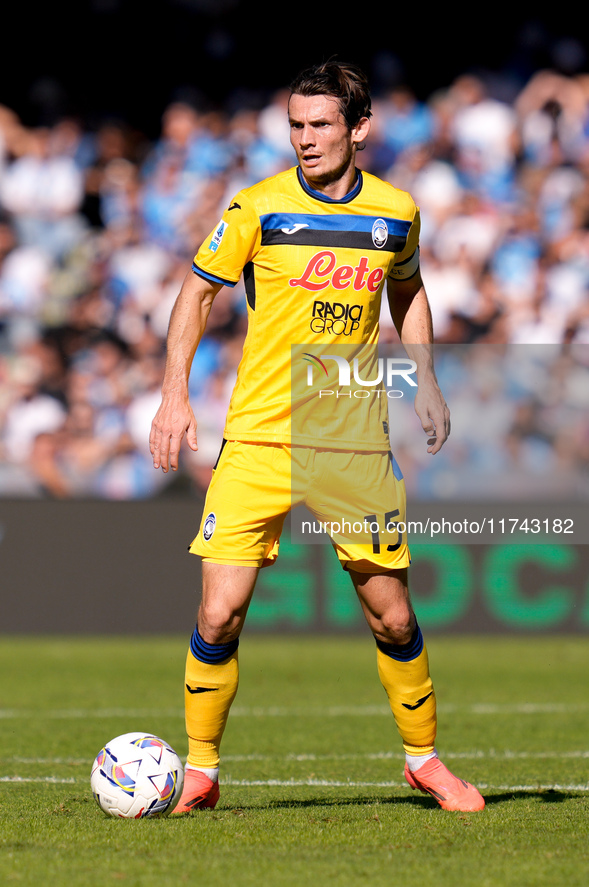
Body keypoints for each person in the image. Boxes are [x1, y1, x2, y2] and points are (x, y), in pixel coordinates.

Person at [149, 61, 485, 814]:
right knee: (217, 613)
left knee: (392, 615)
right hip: (259, 438)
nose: (304, 140)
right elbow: (196, 290)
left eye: (320, 125)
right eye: (295, 126)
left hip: (352, 443)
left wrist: (424, 377)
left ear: (358, 129)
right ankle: (200, 771)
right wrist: (173, 396)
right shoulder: (256, 208)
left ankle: (423, 759)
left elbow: (409, 288)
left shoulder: (395, 212)